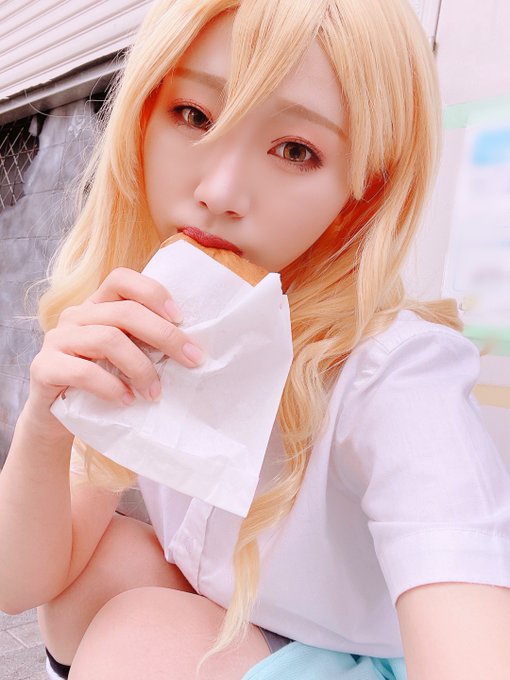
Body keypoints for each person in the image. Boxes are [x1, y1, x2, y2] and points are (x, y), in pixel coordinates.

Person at [1, 0, 509, 678]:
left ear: (359, 196)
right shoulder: (152, 315)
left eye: (295, 150)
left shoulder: (393, 371)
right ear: (141, 120)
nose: (219, 192)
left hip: (368, 658)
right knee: (101, 568)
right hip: (243, 626)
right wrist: (45, 422)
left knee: (140, 636)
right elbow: (19, 586)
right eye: (194, 115)